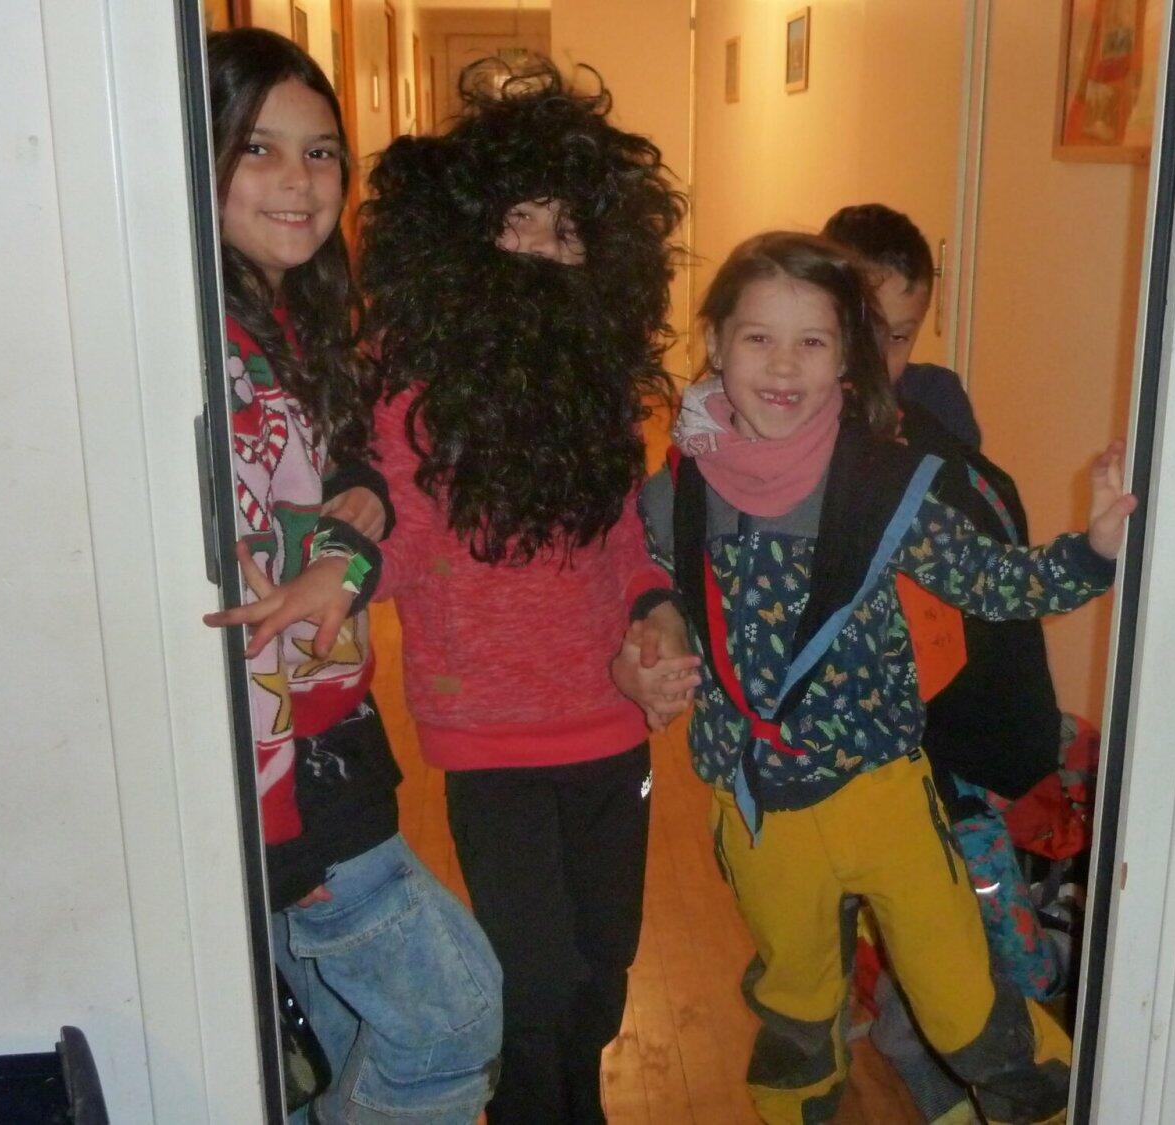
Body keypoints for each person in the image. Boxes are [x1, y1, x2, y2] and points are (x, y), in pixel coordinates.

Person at [639, 231, 1133, 1125]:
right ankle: (799, 1102)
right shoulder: (679, 486)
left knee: (956, 981)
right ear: (713, 341)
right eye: (757, 338)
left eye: (812, 341)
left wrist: (1093, 550)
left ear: (845, 360)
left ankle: (1040, 1102)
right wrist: (648, 629)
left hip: (881, 789)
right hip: (757, 801)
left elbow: (995, 583)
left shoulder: (885, 484)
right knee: (795, 993)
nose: (782, 365)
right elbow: (648, 581)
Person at [358, 59, 699, 1124]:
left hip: (606, 722)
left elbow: (623, 538)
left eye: (568, 230)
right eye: (521, 222)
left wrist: (653, 606)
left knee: (603, 967)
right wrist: (336, 568)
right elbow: (404, 532)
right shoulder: (414, 379)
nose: (547, 250)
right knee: (536, 976)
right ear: (465, 234)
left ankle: (573, 1101)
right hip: (488, 737)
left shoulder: (594, 380)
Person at [199, 28, 501, 1124]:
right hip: (270, 767)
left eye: (320, 152)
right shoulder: (192, 342)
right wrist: (342, 544)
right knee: (453, 1018)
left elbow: (354, 479)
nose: (299, 180)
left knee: (331, 1037)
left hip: (329, 729)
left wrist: (350, 544)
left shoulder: (294, 319)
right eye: (259, 149)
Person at [824, 203, 1095, 1123]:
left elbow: (973, 589)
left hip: (952, 744)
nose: (881, 360)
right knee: (868, 912)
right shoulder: (787, 433)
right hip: (861, 751)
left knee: (953, 936)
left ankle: (934, 1045)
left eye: (900, 335)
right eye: (863, 331)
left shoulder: (933, 414)